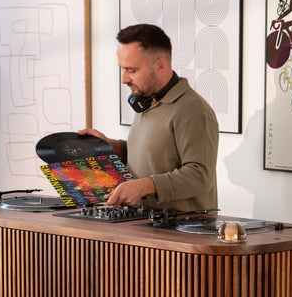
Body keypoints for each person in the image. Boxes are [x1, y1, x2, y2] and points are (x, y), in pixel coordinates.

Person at [80, 24, 219, 211]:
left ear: (160, 65)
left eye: (132, 70)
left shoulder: (193, 111)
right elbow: (157, 156)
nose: (124, 79)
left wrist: (144, 186)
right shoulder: (146, 101)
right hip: (144, 226)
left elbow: (200, 176)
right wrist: (114, 147)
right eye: (122, 69)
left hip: (180, 234)